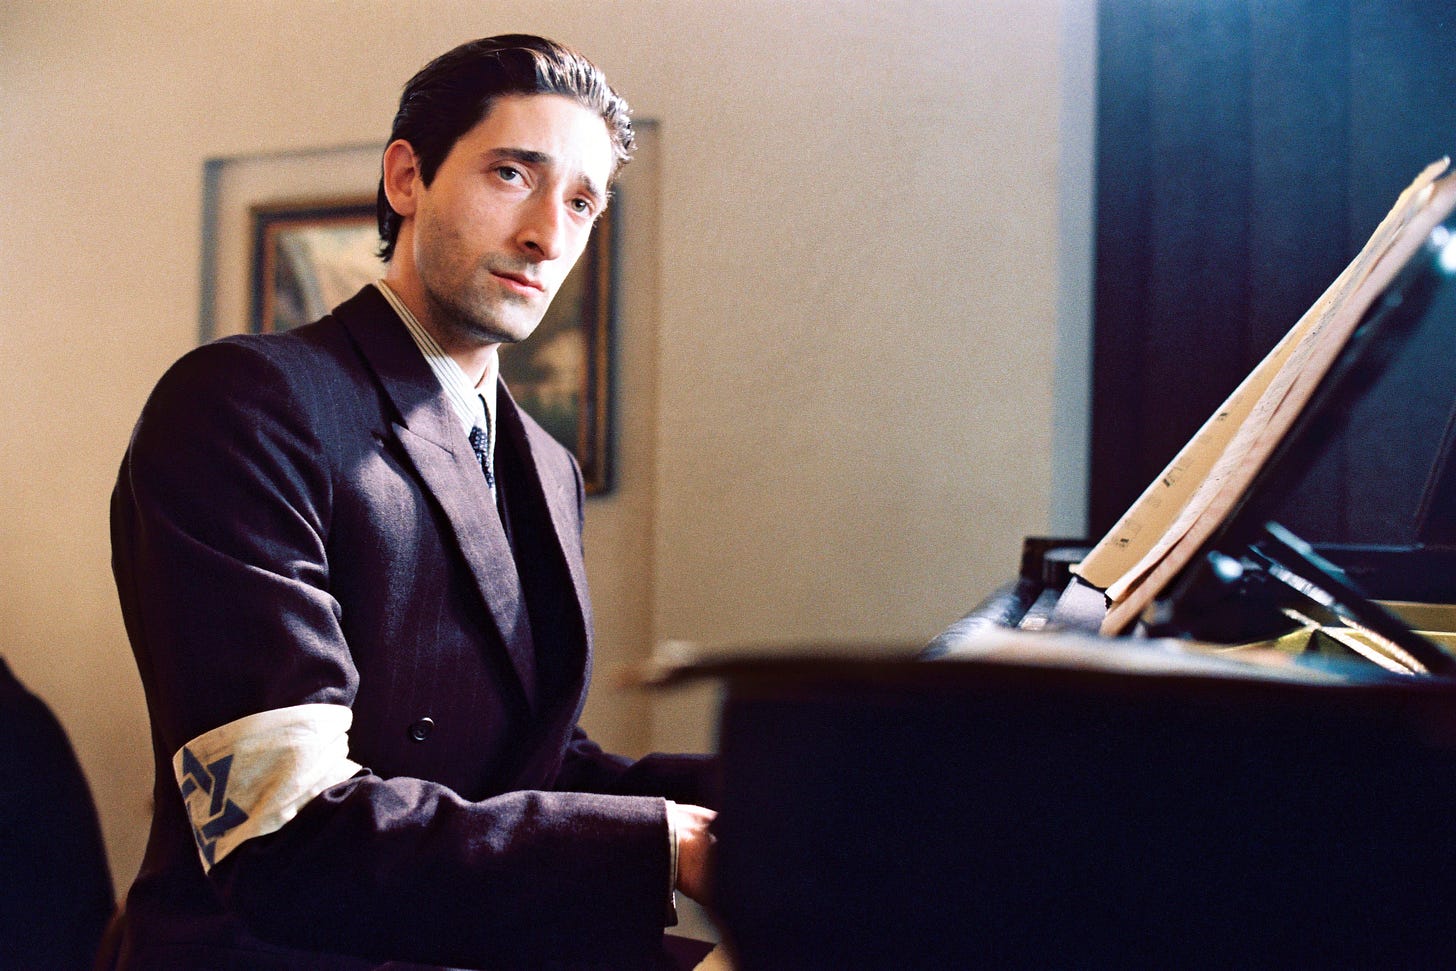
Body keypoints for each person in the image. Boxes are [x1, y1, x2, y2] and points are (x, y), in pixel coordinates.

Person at [111, 35, 718, 970]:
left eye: (582, 201)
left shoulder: (544, 462)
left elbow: (528, 760)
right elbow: (286, 838)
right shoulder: (247, 401)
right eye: (513, 173)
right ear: (407, 177)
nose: (548, 235)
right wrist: (662, 843)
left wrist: (785, 794)